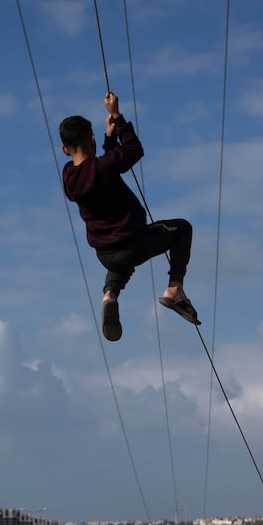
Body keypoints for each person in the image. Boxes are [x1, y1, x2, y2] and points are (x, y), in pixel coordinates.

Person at [60, 92, 199, 342]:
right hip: (133, 244)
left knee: (122, 262)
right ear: (91, 138)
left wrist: (109, 139)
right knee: (182, 228)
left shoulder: (69, 176)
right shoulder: (103, 167)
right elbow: (133, 150)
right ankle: (175, 289)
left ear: (64, 149)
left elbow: (102, 166)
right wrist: (116, 116)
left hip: (105, 254)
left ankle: (110, 295)